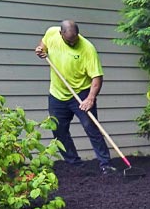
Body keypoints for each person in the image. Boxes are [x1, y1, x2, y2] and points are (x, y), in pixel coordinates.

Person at [34, 20, 115, 174]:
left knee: (91, 127)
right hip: (57, 94)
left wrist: (90, 98)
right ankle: (74, 164)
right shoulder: (52, 32)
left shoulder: (87, 49)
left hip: (82, 93)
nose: (73, 43)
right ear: (61, 34)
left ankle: (105, 164)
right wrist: (41, 51)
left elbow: (97, 77)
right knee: (59, 130)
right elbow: (43, 46)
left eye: (75, 39)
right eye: (69, 41)